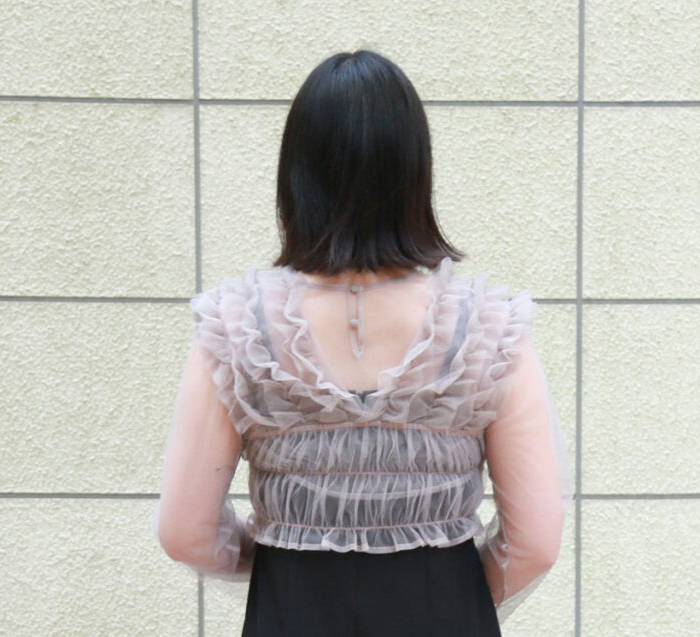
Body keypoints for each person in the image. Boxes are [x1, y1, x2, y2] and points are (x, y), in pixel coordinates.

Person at [151, 49, 573, 636]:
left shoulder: (241, 327)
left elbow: (184, 531)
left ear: (296, 176)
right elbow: (537, 543)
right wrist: (451, 593)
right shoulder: (485, 330)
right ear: (414, 171)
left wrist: (282, 558)